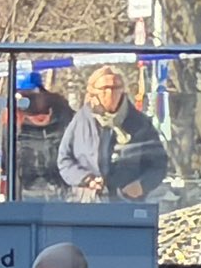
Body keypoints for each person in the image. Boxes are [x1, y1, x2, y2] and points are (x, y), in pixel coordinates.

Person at [57, 67, 168, 202]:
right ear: (93, 92)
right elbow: (64, 160)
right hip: (87, 202)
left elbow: (158, 164)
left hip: (127, 203)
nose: (110, 93)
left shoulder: (140, 123)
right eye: (104, 88)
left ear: (123, 90)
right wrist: (86, 179)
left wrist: (141, 185)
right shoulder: (80, 121)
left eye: (116, 88)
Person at [10, 74, 73, 199]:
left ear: (43, 94)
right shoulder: (12, 123)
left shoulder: (65, 117)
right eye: (20, 98)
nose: (26, 103)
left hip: (61, 193)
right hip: (24, 195)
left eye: (30, 96)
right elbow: (5, 162)